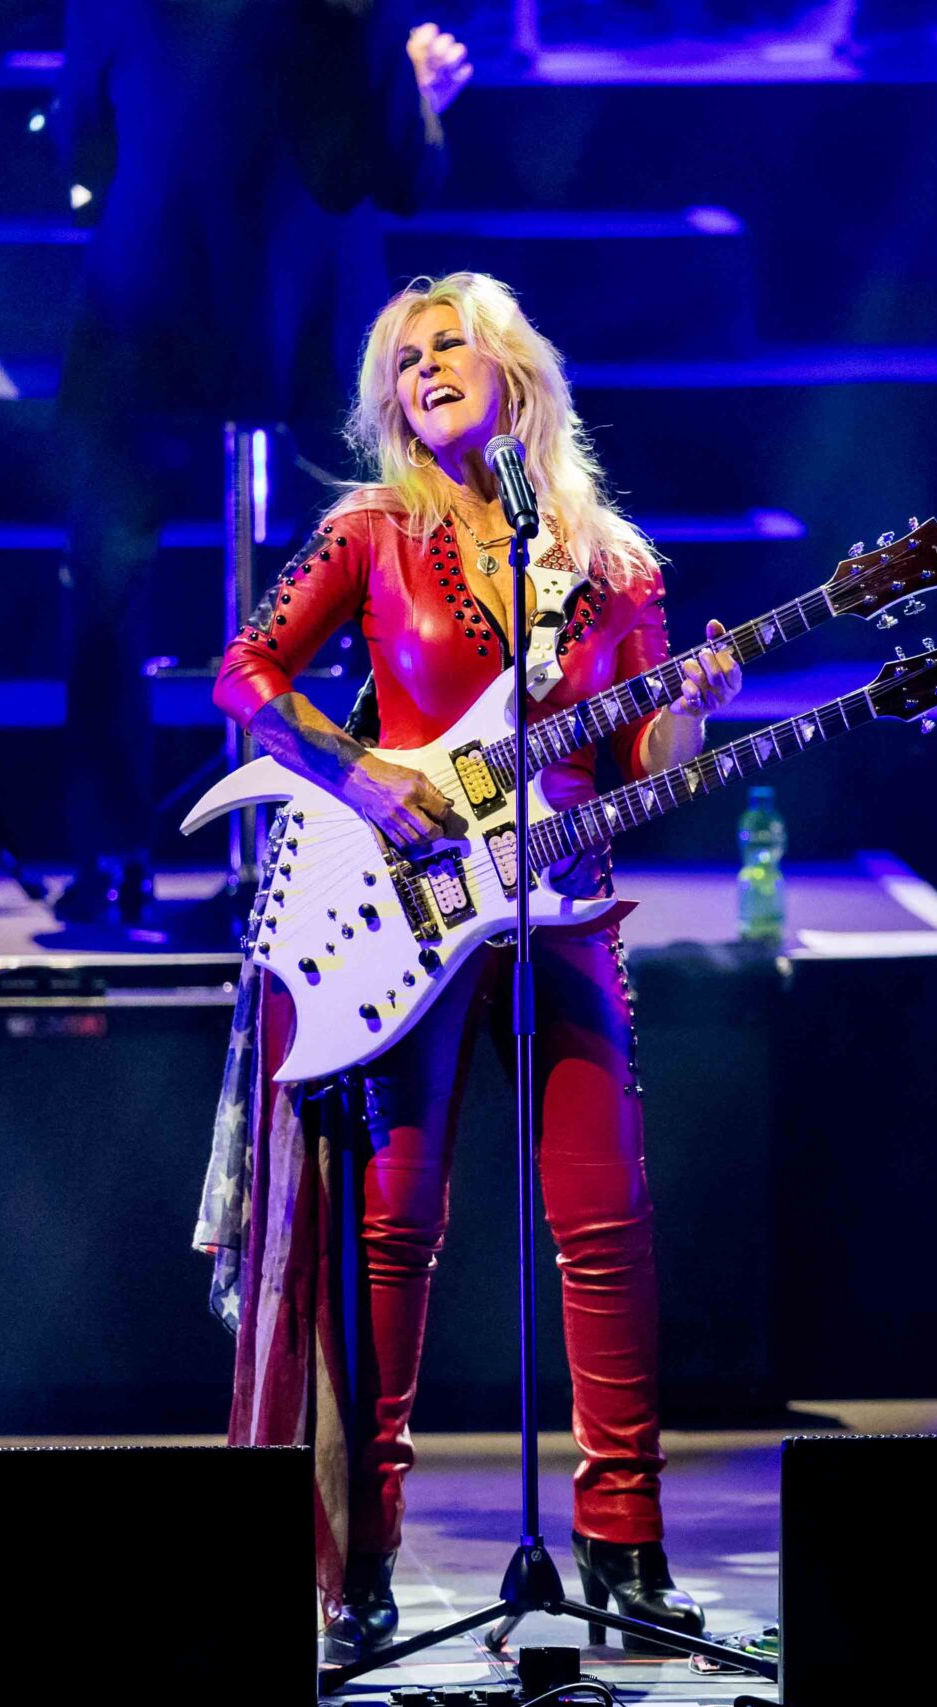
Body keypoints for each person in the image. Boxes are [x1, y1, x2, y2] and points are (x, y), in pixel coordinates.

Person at [208, 272, 742, 1661]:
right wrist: (363, 773)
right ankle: (363, 1559)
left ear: (514, 368)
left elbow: (641, 763)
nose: (425, 367)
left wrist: (690, 710)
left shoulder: (615, 563)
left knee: (608, 1223)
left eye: (449, 344)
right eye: (404, 358)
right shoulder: (371, 532)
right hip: (414, 915)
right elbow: (245, 675)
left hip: (564, 906)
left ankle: (625, 1544)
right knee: (394, 1227)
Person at [54, 0, 473, 922]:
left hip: (150, 315)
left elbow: (80, 150)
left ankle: (111, 862)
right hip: (310, 328)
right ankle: (370, 845)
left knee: (108, 583)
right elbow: (404, 176)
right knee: (380, 579)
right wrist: (416, 96)